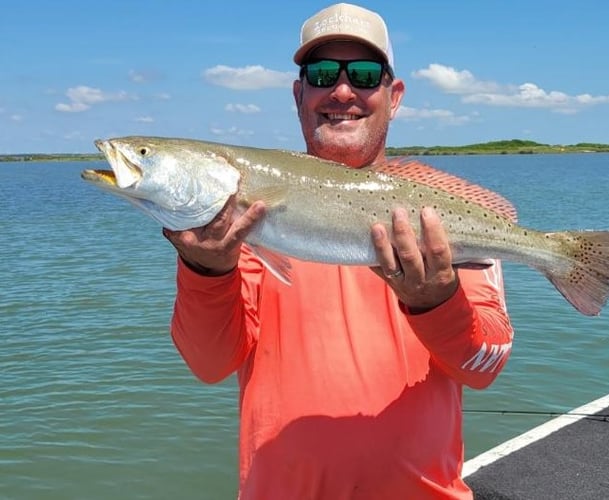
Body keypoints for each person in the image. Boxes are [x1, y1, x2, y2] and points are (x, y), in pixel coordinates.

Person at [163, 3, 514, 498]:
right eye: (323, 73)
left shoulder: (445, 214)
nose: (343, 91)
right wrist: (205, 269)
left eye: (366, 75)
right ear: (299, 93)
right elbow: (209, 363)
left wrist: (436, 302)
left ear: (394, 97)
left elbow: (486, 365)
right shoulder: (243, 221)